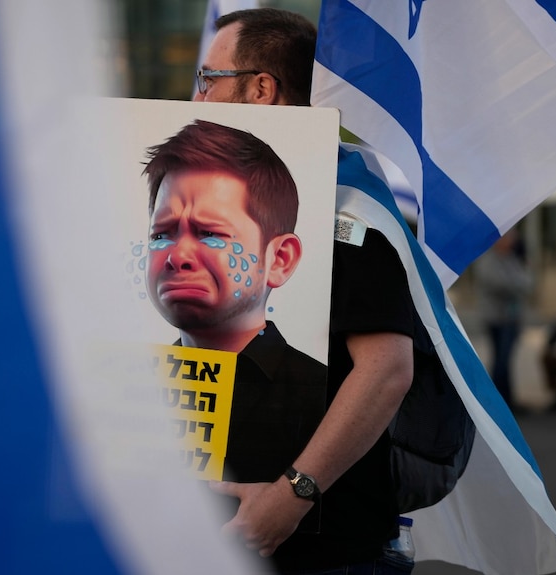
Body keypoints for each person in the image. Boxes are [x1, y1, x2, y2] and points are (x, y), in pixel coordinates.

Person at [194, 8, 414, 574]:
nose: (194, 100)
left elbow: (387, 369)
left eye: (206, 81)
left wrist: (288, 500)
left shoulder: (344, 200)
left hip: (325, 550)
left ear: (261, 88)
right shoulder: (222, 193)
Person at [143, 120, 328, 516]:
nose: (178, 255)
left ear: (279, 259)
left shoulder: (330, 400)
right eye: (162, 234)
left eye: (210, 233)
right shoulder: (127, 393)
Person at [473, 229, 532, 411]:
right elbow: (497, 283)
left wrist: (515, 284)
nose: (510, 241)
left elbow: (528, 281)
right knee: (500, 360)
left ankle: (507, 400)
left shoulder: (511, 259)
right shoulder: (487, 260)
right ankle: (498, 402)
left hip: (512, 319)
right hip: (496, 319)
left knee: (506, 360)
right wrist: (516, 284)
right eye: (507, 237)